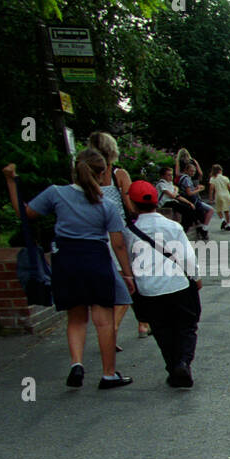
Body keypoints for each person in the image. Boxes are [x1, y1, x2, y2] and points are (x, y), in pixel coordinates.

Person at [2, 152, 135, 389]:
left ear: (75, 170)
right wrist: (127, 274)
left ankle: (76, 364)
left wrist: (11, 181)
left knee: (75, 318)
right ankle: (108, 374)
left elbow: (24, 214)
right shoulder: (107, 204)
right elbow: (118, 244)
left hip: (65, 259)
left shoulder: (56, 193)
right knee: (103, 321)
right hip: (96, 259)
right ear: (103, 173)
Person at [123, 180, 202, 387]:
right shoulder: (173, 226)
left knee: (162, 330)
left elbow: (125, 261)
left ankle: (173, 367)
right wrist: (196, 277)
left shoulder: (129, 232)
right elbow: (187, 256)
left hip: (149, 289)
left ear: (131, 203)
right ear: (156, 201)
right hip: (177, 284)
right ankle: (184, 362)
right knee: (186, 327)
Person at [86, 131, 142, 340]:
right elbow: (130, 206)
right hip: (118, 231)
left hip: (94, 233)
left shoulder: (86, 176)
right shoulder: (119, 173)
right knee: (130, 281)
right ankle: (116, 328)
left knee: (110, 284)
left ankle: (141, 322)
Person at [178, 160, 214, 241]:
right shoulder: (186, 179)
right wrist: (199, 190)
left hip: (192, 200)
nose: (193, 172)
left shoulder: (185, 178)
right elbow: (189, 193)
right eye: (191, 171)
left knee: (204, 213)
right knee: (210, 210)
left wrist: (196, 188)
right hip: (191, 200)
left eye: (194, 171)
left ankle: (203, 229)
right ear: (186, 170)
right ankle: (204, 229)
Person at [208, 164, 230, 231]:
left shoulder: (213, 178)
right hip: (227, 195)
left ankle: (223, 220)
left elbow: (211, 189)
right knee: (226, 211)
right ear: (220, 170)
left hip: (218, 195)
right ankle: (228, 224)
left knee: (218, 210)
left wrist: (210, 198)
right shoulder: (225, 178)